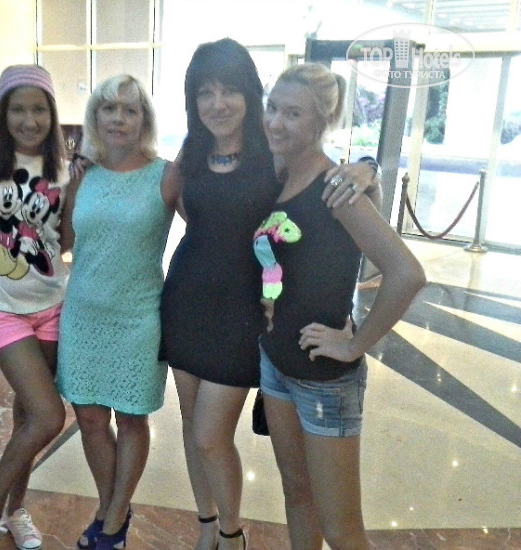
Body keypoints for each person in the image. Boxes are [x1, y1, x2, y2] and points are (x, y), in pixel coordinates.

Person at [159, 38, 382, 550]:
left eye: (230, 91)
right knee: (193, 428)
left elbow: (323, 174)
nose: (218, 103)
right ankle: (207, 526)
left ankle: (231, 532)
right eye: (205, 92)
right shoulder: (192, 151)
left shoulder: (271, 151)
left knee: (210, 436)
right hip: (187, 302)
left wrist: (369, 165)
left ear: (249, 93)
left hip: (245, 315)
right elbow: (193, 216)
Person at [255, 62, 425, 550]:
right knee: (297, 494)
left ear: (322, 121)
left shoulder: (337, 189)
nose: (276, 122)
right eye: (272, 108)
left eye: (293, 113)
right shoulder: (278, 177)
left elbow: (407, 273)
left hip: (324, 381)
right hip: (276, 364)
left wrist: (353, 345)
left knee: (342, 530)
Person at [56, 74, 178, 550]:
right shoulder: (84, 174)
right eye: (109, 108)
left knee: (130, 419)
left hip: (138, 317)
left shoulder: (166, 174)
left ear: (144, 119)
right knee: (89, 418)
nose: (118, 119)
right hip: (83, 313)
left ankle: (111, 522)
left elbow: (210, 228)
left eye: (130, 110)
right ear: (95, 117)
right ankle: (112, 508)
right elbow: (64, 241)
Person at [0, 64, 69, 550]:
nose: (30, 120)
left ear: (52, 113)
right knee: (48, 417)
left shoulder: (65, 168)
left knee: (26, 414)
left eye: (39, 109)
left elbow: (66, 237)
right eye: (19, 109)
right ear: (3, 113)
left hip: (50, 303)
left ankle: (15, 507)